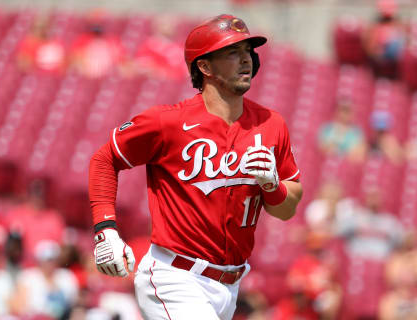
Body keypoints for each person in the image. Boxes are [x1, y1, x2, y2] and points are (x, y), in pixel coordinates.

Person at [88, 14, 303, 320]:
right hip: (174, 276)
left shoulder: (272, 124)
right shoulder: (168, 122)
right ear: (204, 66)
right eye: (232, 53)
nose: (246, 61)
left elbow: (287, 209)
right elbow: (104, 158)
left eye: (247, 53)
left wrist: (273, 186)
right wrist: (105, 228)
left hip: (229, 285)